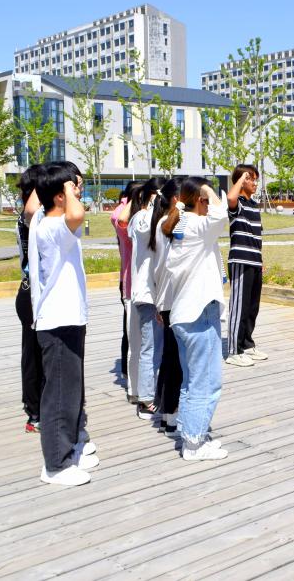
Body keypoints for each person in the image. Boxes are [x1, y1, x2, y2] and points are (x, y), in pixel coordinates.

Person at [28, 163, 98, 485]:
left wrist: (63, 182)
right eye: (72, 188)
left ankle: (67, 451)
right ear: (59, 196)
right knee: (59, 395)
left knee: (69, 391)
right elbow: (77, 214)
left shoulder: (46, 221)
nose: (78, 192)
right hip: (58, 320)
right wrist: (68, 187)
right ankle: (55, 464)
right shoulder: (52, 227)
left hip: (67, 318)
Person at [161, 177, 228, 461]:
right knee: (206, 383)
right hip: (199, 313)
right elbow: (221, 215)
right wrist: (208, 190)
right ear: (200, 200)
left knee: (191, 382)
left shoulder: (180, 225)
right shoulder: (197, 226)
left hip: (184, 314)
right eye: (207, 198)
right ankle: (194, 444)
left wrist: (200, 194)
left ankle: (191, 434)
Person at [125, 177, 167, 420]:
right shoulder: (141, 218)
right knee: (150, 348)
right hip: (147, 294)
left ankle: (153, 394)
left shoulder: (157, 218)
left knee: (158, 348)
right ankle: (146, 400)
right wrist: (153, 203)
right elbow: (142, 228)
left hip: (158, 293)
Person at [149, 180, 182, 436]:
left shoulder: (161, 223)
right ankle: (171, 416)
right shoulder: (169, 225)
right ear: (177, 199)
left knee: (170, 359)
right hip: (174, 299)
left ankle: (165, 414)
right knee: (175, 363)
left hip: (166, 299)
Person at [15, 164, 46, 433]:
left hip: (36, 292)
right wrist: (41, 184)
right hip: (31, 293)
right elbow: (31, 210)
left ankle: (42, 405)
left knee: (41, 352)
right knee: (34, 354)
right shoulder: (31, 215)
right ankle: (34, 410)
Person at [226, 164, 266, 367]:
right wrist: (241, 178)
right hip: (240, 260)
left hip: (254, 260)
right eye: (252, 179)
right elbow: (230, 198)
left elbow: (256, 236)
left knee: (252, 307)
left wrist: (261, 260)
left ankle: (247, 344)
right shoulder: (238, 204)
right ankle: (234, 351)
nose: (255, 183)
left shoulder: (254, 205)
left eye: (256, 179)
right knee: (239, 307)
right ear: (242, 181)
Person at [111, 181, 139, 386]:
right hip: (129, 280)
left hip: (137, 280)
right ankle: (128, 371)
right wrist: (130, 201)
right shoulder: (123, 215)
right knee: (130, 330)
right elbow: (118, 219)